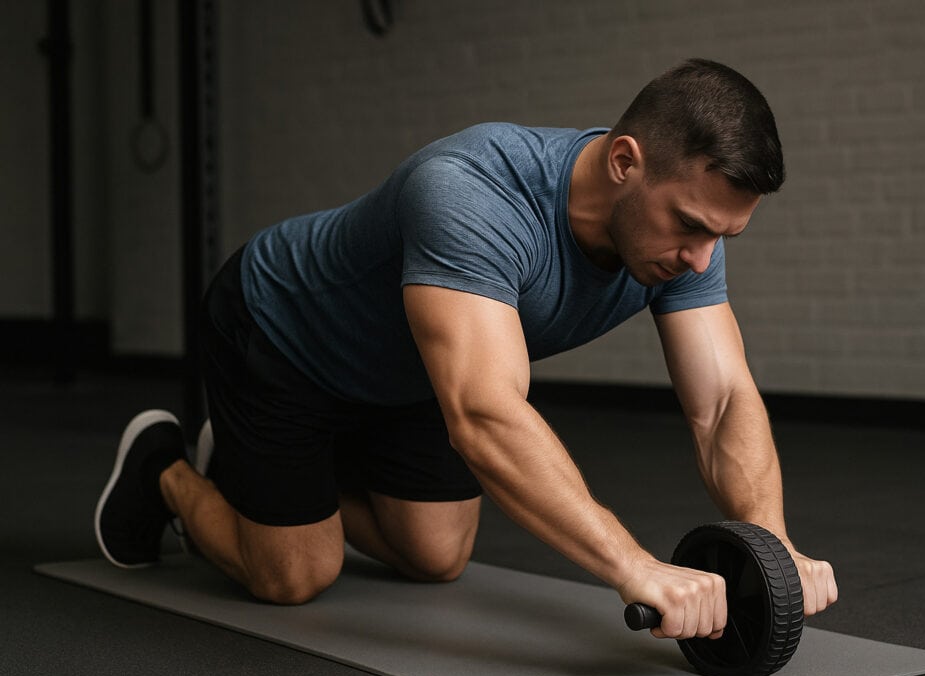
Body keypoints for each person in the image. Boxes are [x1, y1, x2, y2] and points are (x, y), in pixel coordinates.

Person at [95, 57, 837, 641]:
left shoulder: (685, 240)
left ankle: (268, 473)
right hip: (283, 335)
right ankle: (167, 468)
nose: (703, 257)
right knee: (296, 574)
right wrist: (634, 565)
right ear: (623, 162)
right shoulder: (473, 194)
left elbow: (723, 401)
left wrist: (769, 543)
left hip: (410, 368)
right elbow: (483, 413)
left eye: (722, 235)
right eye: (691, 225)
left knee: (435, 556)